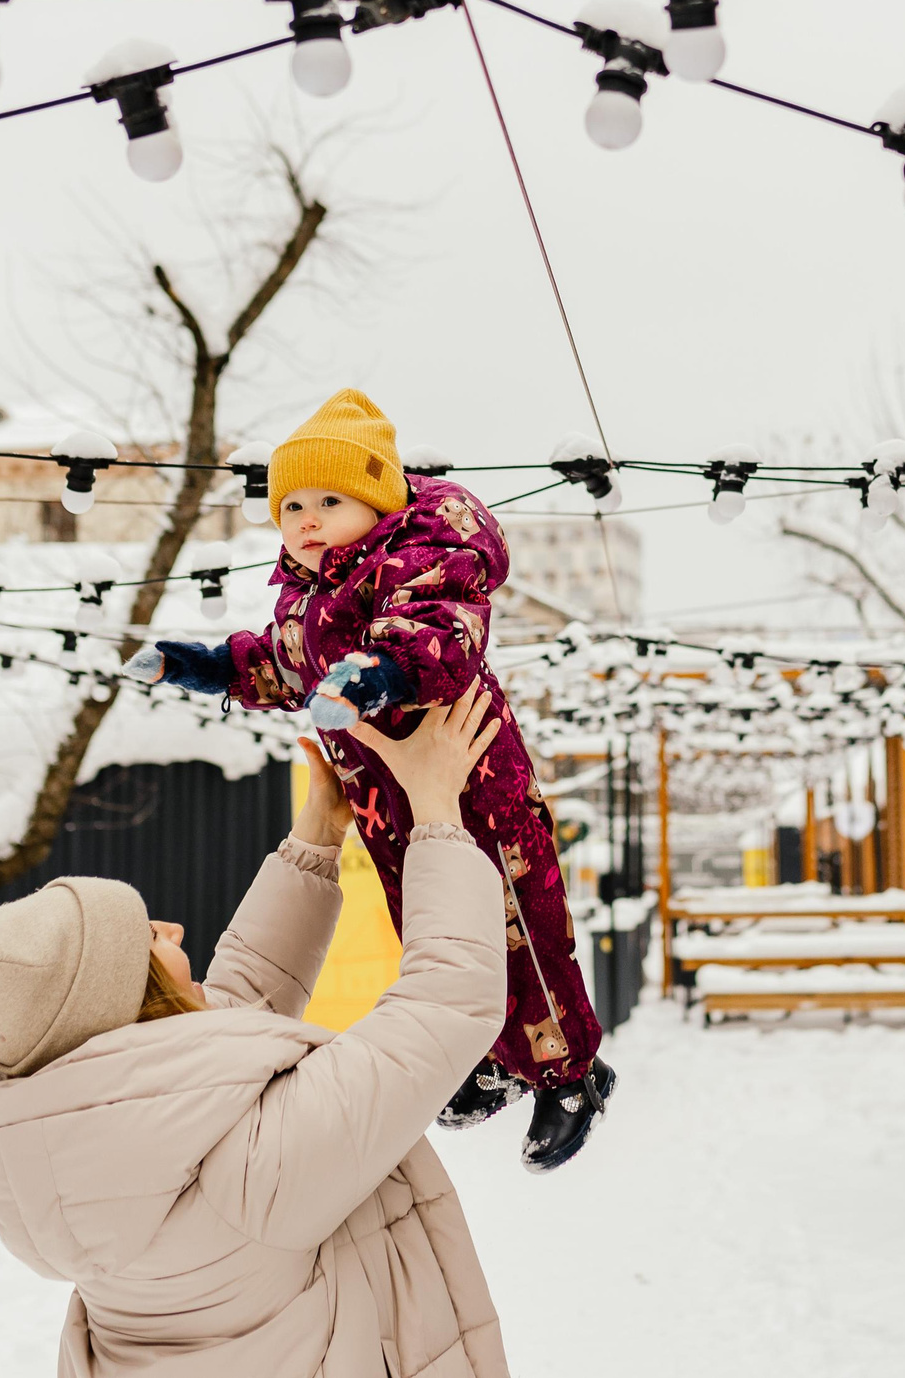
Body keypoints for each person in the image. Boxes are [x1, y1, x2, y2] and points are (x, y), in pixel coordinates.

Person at [0, 687, 514, 1378]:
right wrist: (437, 810)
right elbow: (445, 1003)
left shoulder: (86, 1153)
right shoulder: (249, 1171)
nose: (174, 929)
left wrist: (316, 834)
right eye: (147, 936)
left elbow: (218, 1042)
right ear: (132, 999)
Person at [134, 387, 612, 1171]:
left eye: (329, 498)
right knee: (431, 930)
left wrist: (374, 675)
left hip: (471, 779)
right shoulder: (309, 597)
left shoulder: (421, 556)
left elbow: (438, 636)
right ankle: (497, 1056)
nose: (307, 519)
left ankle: (570, 1071)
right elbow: (281, 663)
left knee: (516, 923)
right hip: (386, 801)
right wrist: (205, 665)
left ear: (380, 500)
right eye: (290, 505)